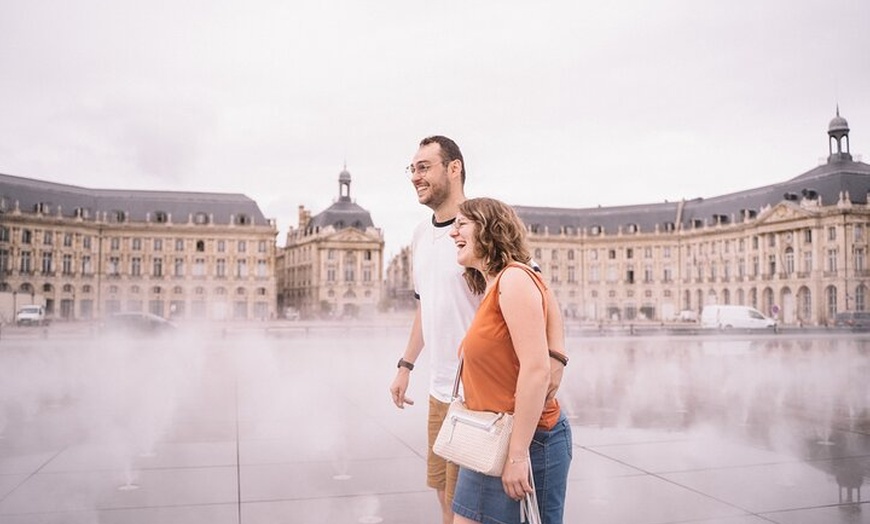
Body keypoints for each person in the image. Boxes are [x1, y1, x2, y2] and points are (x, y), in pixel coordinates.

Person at [389, 136, 568, 524]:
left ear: (453, 168)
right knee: (446, 501)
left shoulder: (487, 235)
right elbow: (427, 306)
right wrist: (406, 365)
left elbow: (543, 294)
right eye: (412, 168)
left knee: (468, 508)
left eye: (424, 167)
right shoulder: (422, 235)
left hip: (487, 399)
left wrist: (554, 360)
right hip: (443, 392)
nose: (415, 176)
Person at [448, 197, 572, 524]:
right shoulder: (493, 286)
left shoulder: (514, 279)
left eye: (462, 224)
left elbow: (535, 369)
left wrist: (517, 457)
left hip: (527, 442)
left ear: (489, 229)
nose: (453, 233)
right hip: (487, 439)